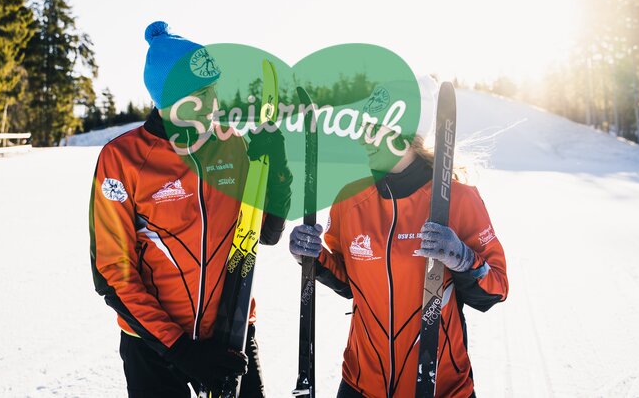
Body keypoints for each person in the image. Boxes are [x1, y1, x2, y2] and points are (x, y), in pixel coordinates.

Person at [90, 21, 292, 397]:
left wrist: (276, 168)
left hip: (230, 332)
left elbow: (267, 232)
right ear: (169, 98)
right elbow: (113, 273)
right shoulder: (123, 159)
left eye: (214, 89)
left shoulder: (231, 146)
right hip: (154, 346)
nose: (214, 103)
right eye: (202, 93)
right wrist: (180, 350)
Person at [288, 78, 508, 398]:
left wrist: (463, 258)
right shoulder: (349, 200)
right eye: (362, 126)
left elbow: (496, 289)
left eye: (373, 128)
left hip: (440, 387)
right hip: (361, 384)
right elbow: (350, 282)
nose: (363, 138)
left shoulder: (456, 200)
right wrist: (312, 257)